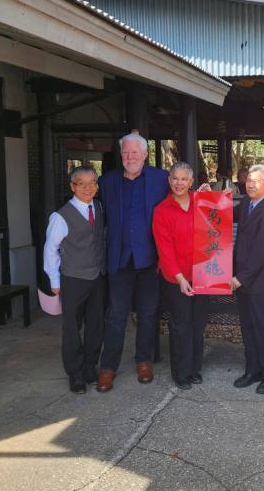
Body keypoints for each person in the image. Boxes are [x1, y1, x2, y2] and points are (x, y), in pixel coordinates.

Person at [96, 133, 170, 392]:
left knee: (148, 314)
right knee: (116, 315)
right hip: (120, 259)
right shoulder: (107, 182)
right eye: (126, 153)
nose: (129, 157)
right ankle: (108, 367)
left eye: (134, 153)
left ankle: (144, 361)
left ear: (145, 154)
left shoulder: (161, 179)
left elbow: (182, 196)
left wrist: (206, 195)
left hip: (150, 259)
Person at [43, 166, 107, 394]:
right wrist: (55, 282)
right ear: (73, 186)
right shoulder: (60, 216)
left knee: (96, 326)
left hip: (98, 277)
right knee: (72, 329)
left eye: (92, 183)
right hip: (73, 279)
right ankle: (75, 373)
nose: (88, 188)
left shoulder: (98, 207)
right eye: (82, 183)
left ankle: (90, 367)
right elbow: (51, 249)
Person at [152, 162, 208, 390]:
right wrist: (180, 278)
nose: (179, 183)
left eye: (184, 179)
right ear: (169, 180)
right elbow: (164, 250)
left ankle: (194, 368)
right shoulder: (162, 210)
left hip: (203, 275)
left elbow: (218, 225)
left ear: (191, 181)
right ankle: (181, 373)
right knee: (181, 325)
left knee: (197, 324)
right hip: (176, 279)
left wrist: (223, 197)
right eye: (175, 178)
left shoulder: (203, 203)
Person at [230, 164, 264, 394]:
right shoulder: (246, 204)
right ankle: (253, 369)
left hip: (259, 283)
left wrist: (240, 278)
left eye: (256, 181)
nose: (250, 184)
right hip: (242, 281)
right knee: (248, 328)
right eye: (248, 180)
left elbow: (261, 252)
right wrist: (209, 197)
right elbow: (223, 214)